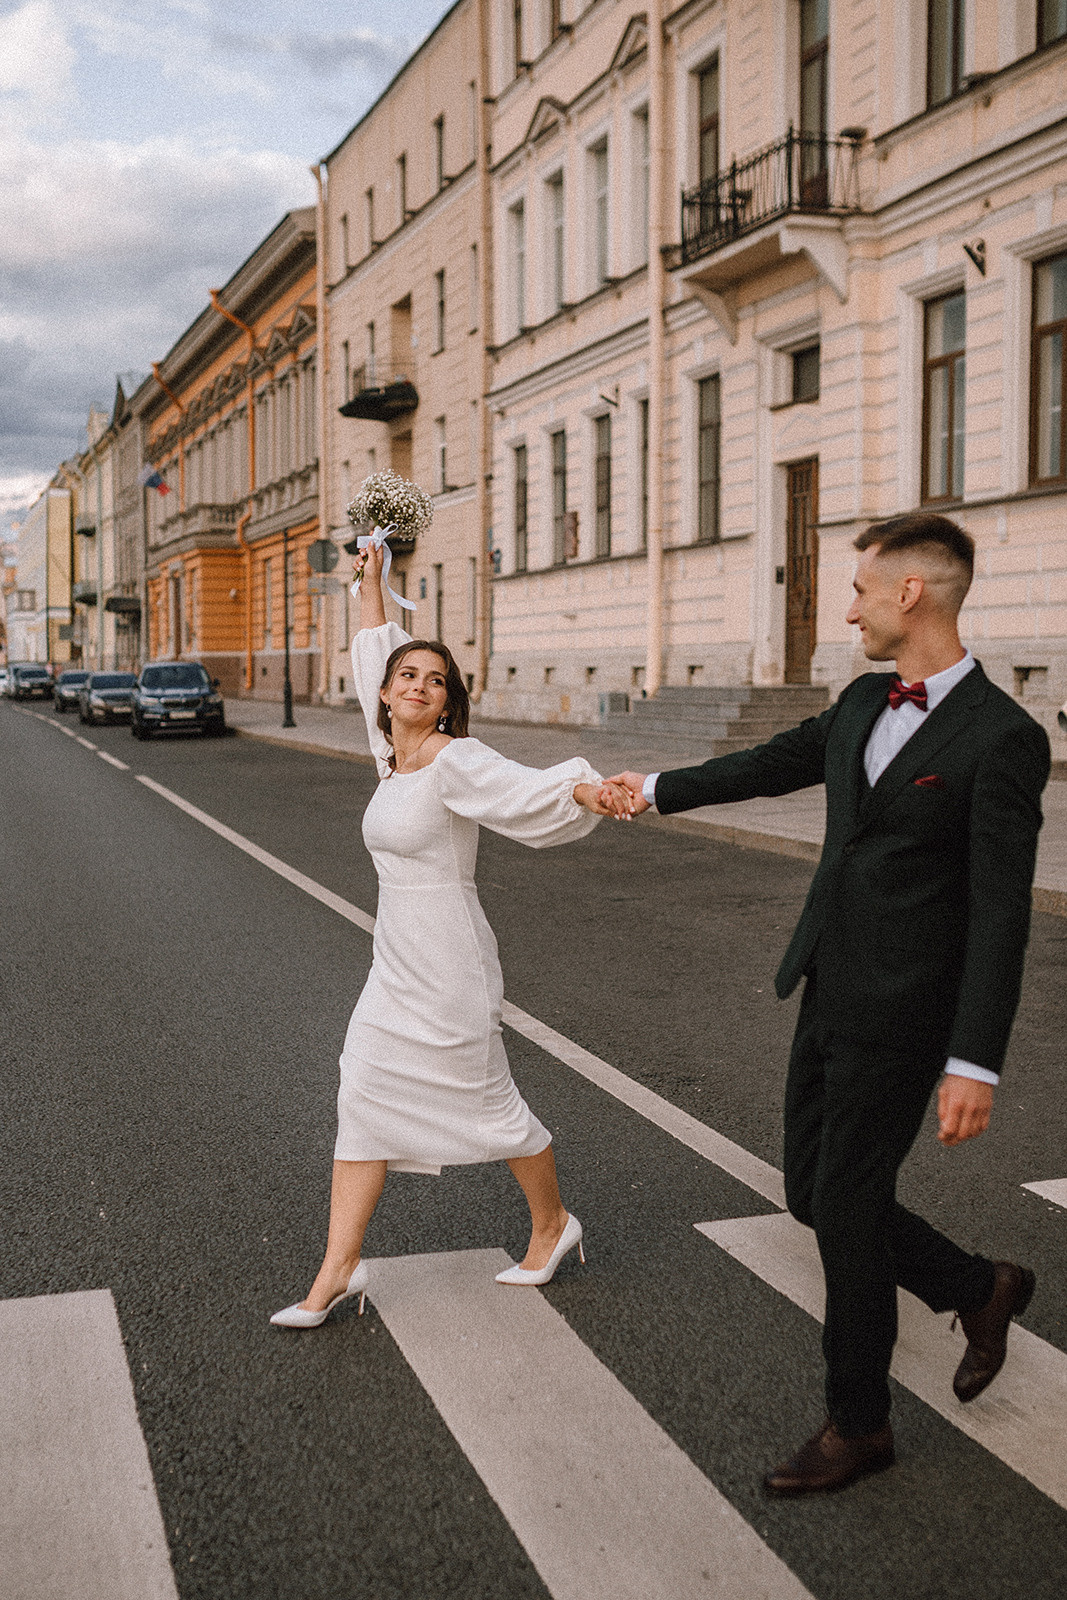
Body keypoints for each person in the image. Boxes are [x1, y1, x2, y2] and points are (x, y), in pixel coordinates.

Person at [606, 513, 1050, 1493]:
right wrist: (654, 786)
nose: (843, 604)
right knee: (809, 1192)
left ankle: (859, 1422)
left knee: (844, 1198)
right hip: (828, 979)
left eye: (856, 587)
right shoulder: (857, 699)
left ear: (910, 592)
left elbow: (997, 913)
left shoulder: (1001, 739)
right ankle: (980, 1287)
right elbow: (768, 765)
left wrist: (972, 1058)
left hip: (908, 1009)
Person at [271, 542, 628, 1328]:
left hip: (450, 961)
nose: (418, 686)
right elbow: (374, 650)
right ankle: (337, 1270)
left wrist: (585, 790)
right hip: (394, 960)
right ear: (389, 695)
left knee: (491, 1106)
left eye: (436, 680)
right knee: (360, 1089)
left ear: (447, 701)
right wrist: (371, 583)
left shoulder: (452, 760)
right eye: (409, 676)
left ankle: (551, 1225)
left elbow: (521, 785)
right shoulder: (387, 756)